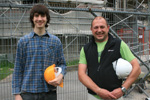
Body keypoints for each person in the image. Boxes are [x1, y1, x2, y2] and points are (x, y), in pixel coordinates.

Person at [78, 16, 141, 100]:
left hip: (115, 96)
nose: (99, 30)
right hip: (93, 96)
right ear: (91, 29)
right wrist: (98, 90)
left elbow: (137, 68)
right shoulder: (85, 48)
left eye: (102, 27)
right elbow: (81, 74)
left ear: (108, 28)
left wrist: (123, 89)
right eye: (96, 27)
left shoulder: (119, 45)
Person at [12, 4, 66, 100]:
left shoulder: (55, 41)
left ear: (47, 18)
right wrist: (17, 94)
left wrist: (61, 76)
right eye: (36, 16)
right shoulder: (23, 42)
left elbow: (62, 64)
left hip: (49, 93)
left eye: (43, 16)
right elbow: (18, 69)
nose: (39, 19)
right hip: (28, 93)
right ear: (32, 18)